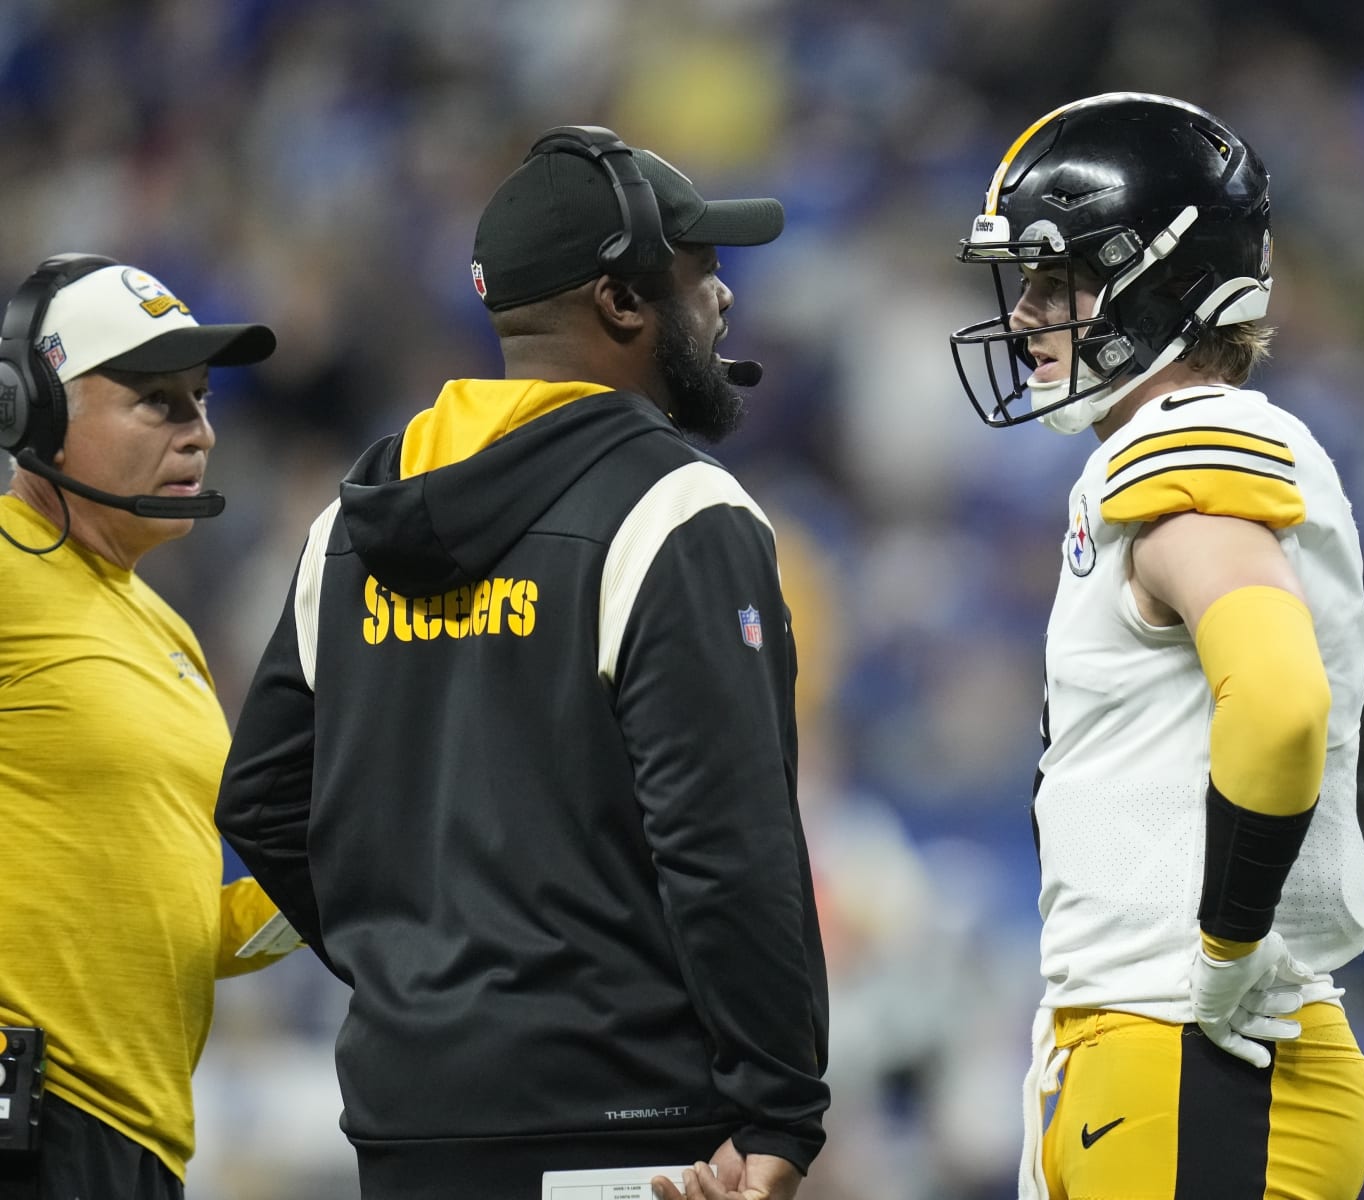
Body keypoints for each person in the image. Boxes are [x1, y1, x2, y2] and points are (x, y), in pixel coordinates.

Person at [214, 126, 828, 1200]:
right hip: (628, 1127)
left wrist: (422, 981)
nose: (724, 296)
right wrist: (780, 1104)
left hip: (408, 1123)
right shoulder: (677, 508)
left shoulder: (347, 526)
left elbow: (263, 803)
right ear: (622, 302)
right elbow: (726, 843)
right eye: (700, 271)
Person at [948, 93, 1364, 1200]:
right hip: (1155, 1043)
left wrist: (1236, 945)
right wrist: (1289, 914)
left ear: (1163, 279)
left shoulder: (1194, 439)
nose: (1025, 314)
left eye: (1059, 279)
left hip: (1195, 1051)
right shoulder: (1169, 454)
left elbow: (1286, 701)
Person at [0, 254, 294, 1199]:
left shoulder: (167, 630)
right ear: (33, 413)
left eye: (201, 400)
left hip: (135, 1140)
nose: (198, 430)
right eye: (156, 401)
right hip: (30, 1113)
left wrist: (335, 870)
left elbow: (185, 928)